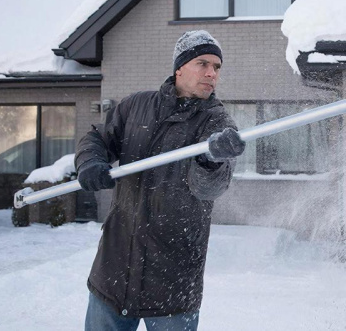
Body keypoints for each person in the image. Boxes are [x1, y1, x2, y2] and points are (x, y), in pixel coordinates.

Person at [75, 30, 245, 331]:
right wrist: (90, 161)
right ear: (179, 67)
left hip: (173, 281)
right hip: (113, 271)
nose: (212, 73)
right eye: (203, 64)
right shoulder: (135, 106)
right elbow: (98, 138)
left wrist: (210, 160)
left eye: (217, 67)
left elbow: (210, 188)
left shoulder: (217, 123)